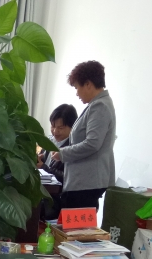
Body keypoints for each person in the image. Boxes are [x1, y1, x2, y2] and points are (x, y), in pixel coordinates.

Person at [51, 60, 116, 210]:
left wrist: (62, 153)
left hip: (86, 183)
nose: (76, 93)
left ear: (88, 84)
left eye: (77, 87)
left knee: (77, 224)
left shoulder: (100, 106)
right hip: (84, 182)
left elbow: (92, 144)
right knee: (76, 224)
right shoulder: (98, 104)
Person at [37, 103, 77, 220]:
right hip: (44, 192)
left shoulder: (73, 149)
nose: (55, 131)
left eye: (61, 128)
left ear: (72, 127)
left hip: (58, 200)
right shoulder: (50, 142)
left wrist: (44, 167)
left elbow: (68, 178)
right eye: (53, 126)